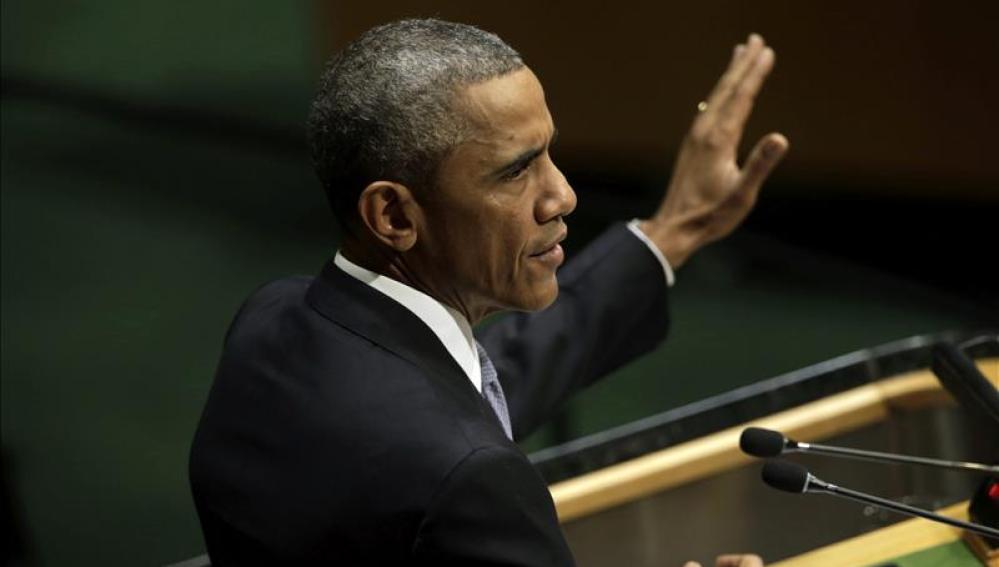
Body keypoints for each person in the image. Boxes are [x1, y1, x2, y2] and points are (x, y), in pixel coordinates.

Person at [190, 18, 787, 567]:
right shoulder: (469, 479)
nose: (562, 196)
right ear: (394, 214)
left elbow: (482, 384)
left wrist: (676, 229)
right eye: (515, 171)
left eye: (549, 153)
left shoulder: (272, 321)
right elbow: (449, 445)